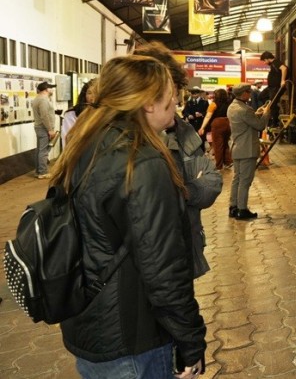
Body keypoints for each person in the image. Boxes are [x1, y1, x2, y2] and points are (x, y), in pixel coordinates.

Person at [49, 55, 206, 379]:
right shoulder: (142, 162)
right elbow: (163, 268)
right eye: (170, 94)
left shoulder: (86, 143)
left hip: (92, 325)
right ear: (148, 103)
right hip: (133, 340)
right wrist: (191, 340)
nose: (176, 101)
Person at [135, 41, 222, 279]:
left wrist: (183, 191)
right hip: (146, 272)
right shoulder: (120, 145)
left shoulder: (182, 131)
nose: (176, 101)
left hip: (182, 250)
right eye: (171, 93)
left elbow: (212, 182)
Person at [227, 83, 270, 220]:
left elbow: (245, 119)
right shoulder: (245, 110)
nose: (250, 94)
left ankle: (233, 207)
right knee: (245, 181)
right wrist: (266, 113)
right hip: (247, 149)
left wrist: (257, 113)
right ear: (243, 93)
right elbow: (260, 125)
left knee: (237, 179)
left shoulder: (232, 107)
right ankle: (242, 209)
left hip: (237, 148)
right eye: (248, 92)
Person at [198, 88, 233, 170]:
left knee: (218, 145)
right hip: (228, 123)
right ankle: (228, 162)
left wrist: (202, 127)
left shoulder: (213, 104)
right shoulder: (229, 103)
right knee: (225, 144)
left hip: (217, 124)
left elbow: (208, 116)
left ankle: (218, 165)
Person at [61, 79, 97, 148]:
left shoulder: (107, 114)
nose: (93, 97)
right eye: (89, 93)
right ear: (84, 95)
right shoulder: (72, 114)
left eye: (96, 93)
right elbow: (67, 140)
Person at [32, 81, 57, 179]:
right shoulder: (43, 100)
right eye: (51, 88)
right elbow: (44, 115)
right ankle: (43, 172)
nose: (52, 90)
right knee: (44, 151)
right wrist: (50, 129)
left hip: (39, 127)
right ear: (46, 89)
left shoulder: (37, 99)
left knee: (39, 150)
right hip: (44, 128)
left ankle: (38, 171)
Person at [260, 51, 286, 127]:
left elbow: (284, 68)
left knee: (273, 104)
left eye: (264, 61)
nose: (264, 63)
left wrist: (283, 80)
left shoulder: (275, 62)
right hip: (270, 87)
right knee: (261, 96)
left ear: (267, 58)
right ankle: (270, 107)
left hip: (275, 87)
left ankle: (275, 123)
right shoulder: (273, 65)